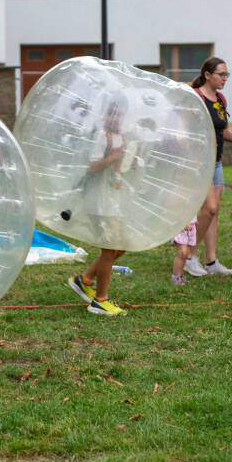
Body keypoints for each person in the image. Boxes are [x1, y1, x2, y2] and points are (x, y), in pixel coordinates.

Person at [185, 57, 232, 277]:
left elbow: (223, 132)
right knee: (210, 208)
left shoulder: (220, 99)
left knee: (214, 213)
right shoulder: (196, 98)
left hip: (215, 162)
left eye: (226, 75)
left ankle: (211, 261)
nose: (225, 78)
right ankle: (189, 256)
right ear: (207, 75)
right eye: (221, 74)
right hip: (200, 163)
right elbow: (185, 131)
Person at [67, 93, 131, 316]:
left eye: (120, 114)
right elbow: (91, 167)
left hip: (111, 199)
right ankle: (100, 300)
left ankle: (84, 280)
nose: (116, 118)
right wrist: (114, 158)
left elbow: (120, 168)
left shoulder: (121, 137)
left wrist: (128, 161)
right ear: (105, 113)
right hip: (98, 200)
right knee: (110, 247)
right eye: (112, 113)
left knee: (121, 245)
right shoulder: (101, 136)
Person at [169, 216, 197, 286]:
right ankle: (175, 277)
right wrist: (183, 222)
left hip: (191, 226)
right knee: (182, 252)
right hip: (180, 226)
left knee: (186, 253)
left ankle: (180, 275)